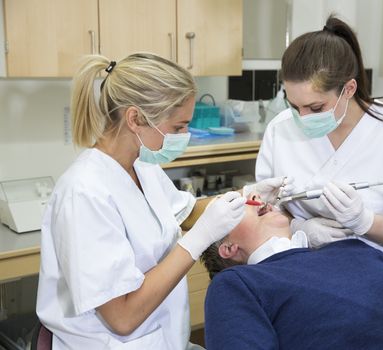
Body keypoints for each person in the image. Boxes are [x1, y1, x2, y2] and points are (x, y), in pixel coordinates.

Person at [35, 53, 254, 350]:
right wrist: (197, 241)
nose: (185, 136)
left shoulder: (142, 166)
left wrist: (250, 195)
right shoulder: (84, 192)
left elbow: (187, 213)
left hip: (162, 338)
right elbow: (122, 317)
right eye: (178, 127)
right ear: (136, 119)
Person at [256, 15, 383, 282]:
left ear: (349, 88)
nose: (302, 118)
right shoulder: (280, 130)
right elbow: (265, 211)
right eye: (294, 106)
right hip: (301, 277)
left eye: (315, 108)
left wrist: (365, 222)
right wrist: (298, 227)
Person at [201, 194, 383, 350]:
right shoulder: (238, 284)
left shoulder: (353, 248)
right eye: (233, 204)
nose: (252, 197)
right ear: (228, 248)